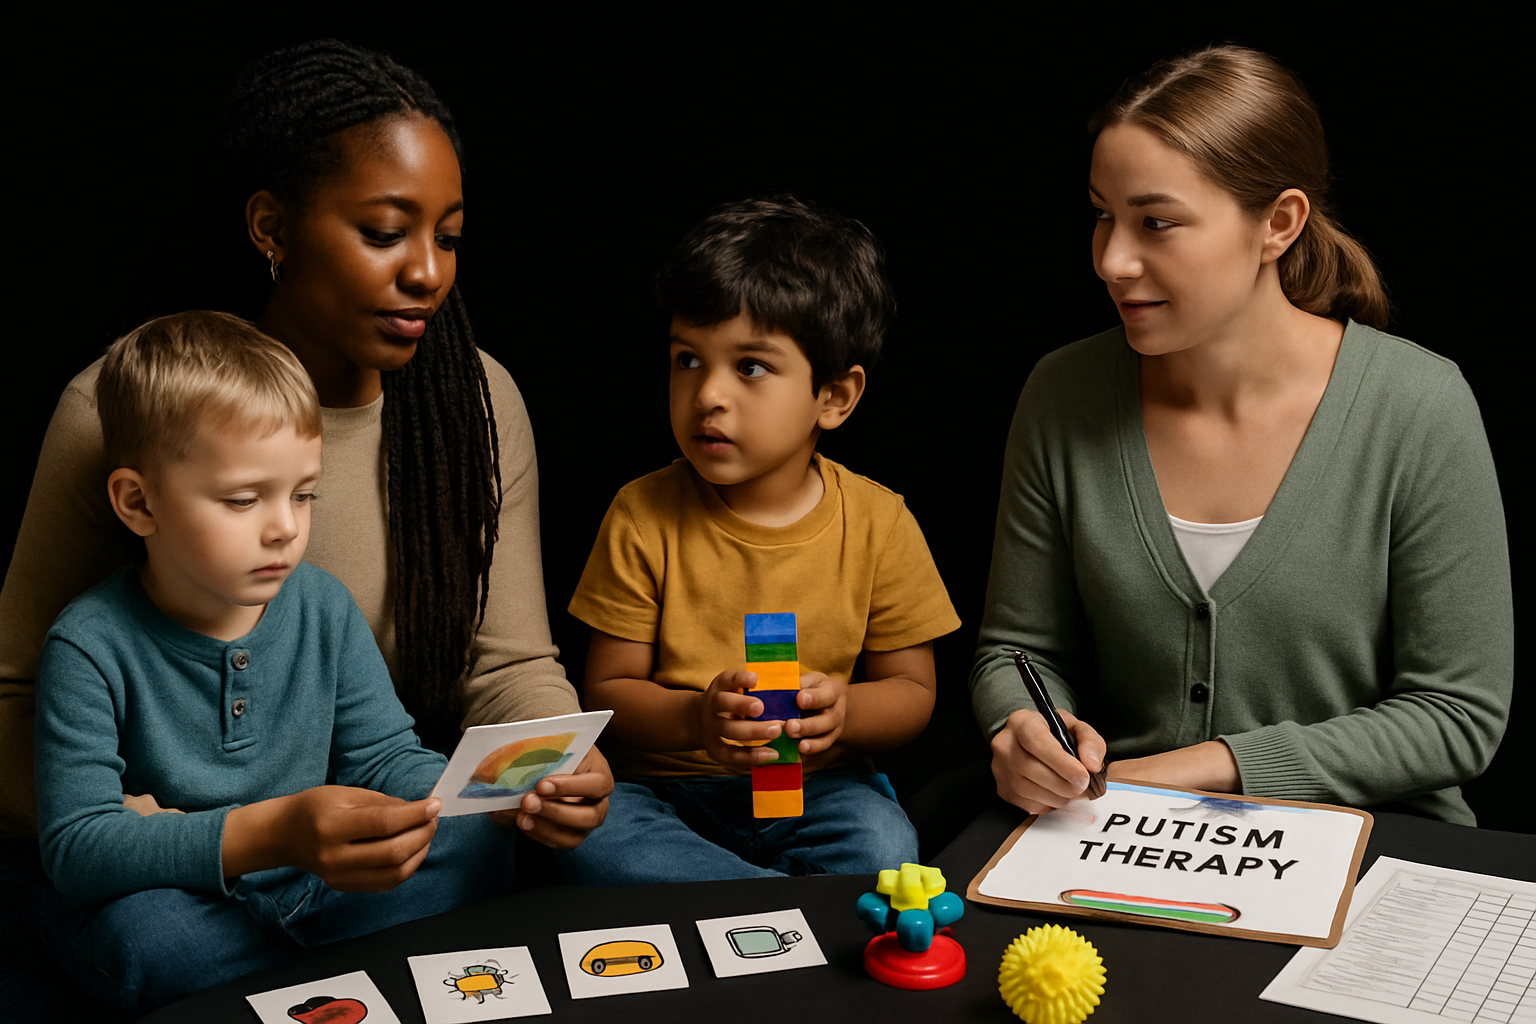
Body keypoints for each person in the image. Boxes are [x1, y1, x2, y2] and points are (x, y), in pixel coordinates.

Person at [0, 40, 610, 845]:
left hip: (394, 814)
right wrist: (174, 846)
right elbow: (18, 700)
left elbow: (508, 669)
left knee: (629, 847)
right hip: (188, 843)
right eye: (385, 231)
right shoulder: (115, 410)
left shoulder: (477, 403)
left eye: (450, 238)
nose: (429, 272)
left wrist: (557, 766)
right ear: (271, 227)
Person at [970, 46, 1512, 826]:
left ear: (1279, 224)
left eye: (1156, 222)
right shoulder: (1063, 394)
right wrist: (1022, 726)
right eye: (1102, 216)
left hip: (1375, 848)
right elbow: (1018, 650)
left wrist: (1213, 766)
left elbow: (1458, 717)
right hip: (1119, 833)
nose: (1113, 260)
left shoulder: (1421, 406)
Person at [35, 312, 514, 1014]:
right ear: (138, 503)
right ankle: (320, 961)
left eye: (302, 494)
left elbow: (384, 760)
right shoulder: (89, 644)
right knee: (149, 941)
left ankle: (280, 965)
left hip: (316, 883)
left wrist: (492, 793)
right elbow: (79, 849)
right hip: (188, 897)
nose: (285, 527)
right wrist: (271, 833)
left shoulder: (322, 604)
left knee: (476, 850)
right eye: (242, 499)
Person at [561, 196, 961, 881]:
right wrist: (698, 721)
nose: (708, 394)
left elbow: (913, 691)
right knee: (593, 841)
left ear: (834, 398)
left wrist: (846, 712)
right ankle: (776, 909)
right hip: (665, 787)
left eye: (749, 367)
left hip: (818, 787)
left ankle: (732, 907)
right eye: (688, 360)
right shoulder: (641, 512)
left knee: (881, 843)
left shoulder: (879, 521)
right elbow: (608, 691)